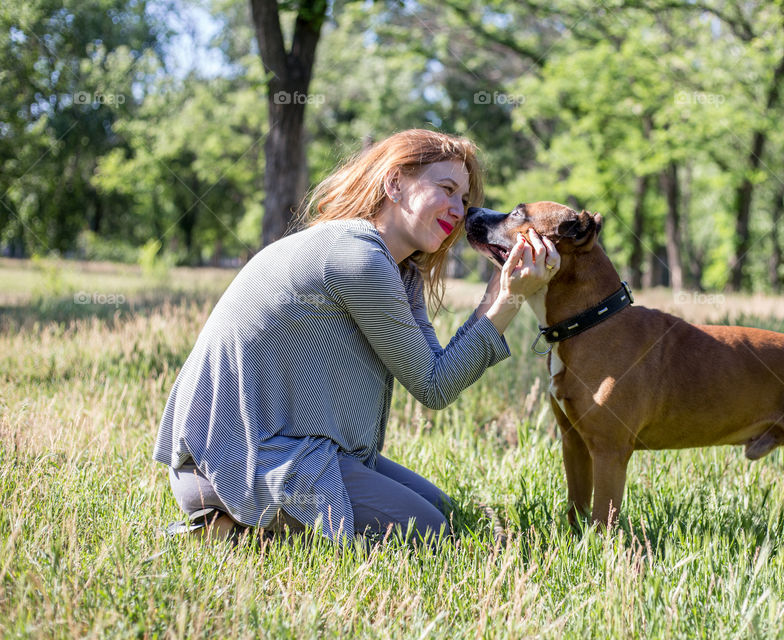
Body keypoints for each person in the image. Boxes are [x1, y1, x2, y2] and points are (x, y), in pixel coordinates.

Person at [153, 129, 560, 546]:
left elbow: (438, 374)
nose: (459, 210)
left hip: (296, 447)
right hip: (237, 463)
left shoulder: (398, 270)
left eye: (464, 199)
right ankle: (229, 528)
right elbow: (434, 387)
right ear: (395, 183)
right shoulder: (358, 259)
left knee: (448, 515)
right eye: (446, 189)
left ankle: (255, 524)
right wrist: (507, 298)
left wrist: (500, 292)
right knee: (430, 534)